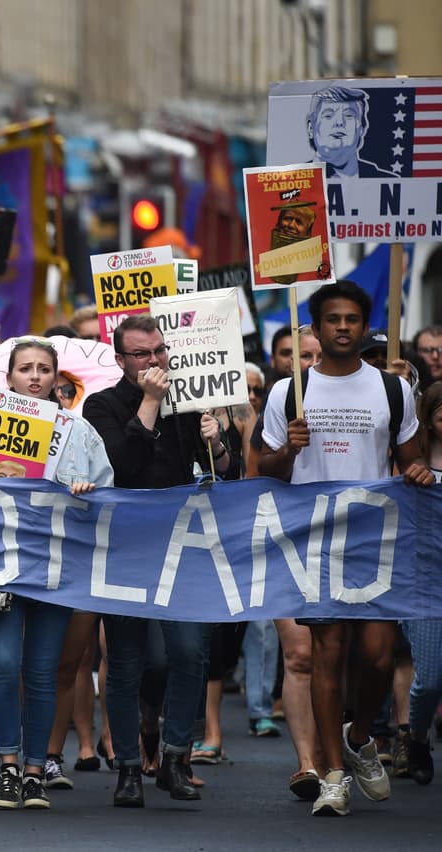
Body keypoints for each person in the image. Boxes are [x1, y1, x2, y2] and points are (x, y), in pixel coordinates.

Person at [259, 279, 433, 817]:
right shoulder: (288, 391)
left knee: (379, 656)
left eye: (351, 320)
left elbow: (411, 458)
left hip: (375, 539)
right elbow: (262, 474)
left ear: (364, 325)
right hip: (316, 537)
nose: (341, 328)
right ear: (313, 328)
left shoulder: (391, 389)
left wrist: (419, 471)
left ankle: (359, 736)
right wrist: (287, 450)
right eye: (331, 319)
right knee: (326, 651)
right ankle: (334, 773)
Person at [83, 314, 235, 807]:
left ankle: (174, 760)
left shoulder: (189, 401)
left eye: (160, 351)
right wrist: (150, 401)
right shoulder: (101, 405)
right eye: (143, 354)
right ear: (121, 358)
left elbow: (224, 471)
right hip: (126, 549)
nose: (155, 361)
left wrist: (215, 441)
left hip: (184, 546)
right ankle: (129, 767)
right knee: (126, 660)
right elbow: (120, 466)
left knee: (189, 652)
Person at [0, 336, 114, 810]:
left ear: (57, 379)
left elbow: (108, 492)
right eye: (25, 368)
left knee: (41, 670)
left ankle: (36, 770)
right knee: (2, 664)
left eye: (43, 369)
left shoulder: (79, 433)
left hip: (55, 567)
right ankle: (8, 766)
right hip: (1, 566)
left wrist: (87, 489)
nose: (34, 376)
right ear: (10, 377)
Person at [403, 382, 442, 785]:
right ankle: (416, 735)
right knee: (429, 679)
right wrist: (410, 479)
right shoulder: (411, 463)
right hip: (425, 584)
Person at [306, 85, 397, 179]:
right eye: (328, 115)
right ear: (311, 128)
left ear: (362, 127)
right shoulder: (292, 182)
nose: (339, 122)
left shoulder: (388, 182)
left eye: (349, 115)